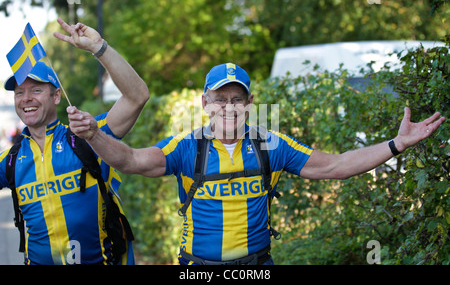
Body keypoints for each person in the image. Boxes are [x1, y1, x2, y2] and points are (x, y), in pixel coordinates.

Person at [67, 63, 445, 265]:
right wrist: (94, 136)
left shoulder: (271, 144)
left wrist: (396, 144)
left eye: (237, 99)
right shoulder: (187, 145)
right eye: (220, 98)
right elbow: (130, 160)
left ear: (249, 104)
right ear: (205, 103)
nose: (228, 107)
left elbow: (336, 166)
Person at [0, 18, 149, 265]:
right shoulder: (11, 160)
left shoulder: (87, 135)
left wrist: (99, 48)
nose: (26, 99)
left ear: (56, 95)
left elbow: (137, 97)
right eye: (19, 93)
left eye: (36, 90)